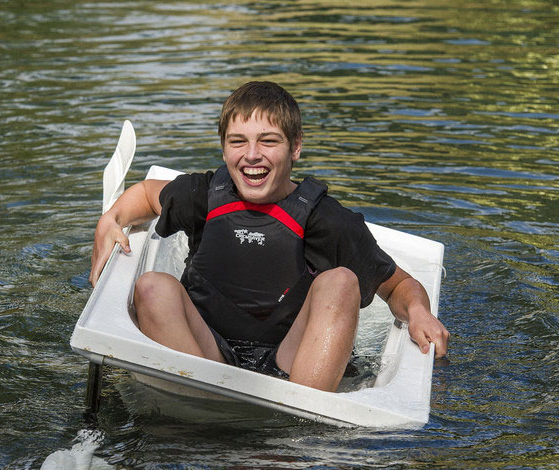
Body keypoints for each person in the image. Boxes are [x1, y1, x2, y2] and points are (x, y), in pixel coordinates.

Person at [89, 81, 449, 392]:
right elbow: (149, 193)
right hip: (204, 356)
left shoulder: (326, 219)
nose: (252, 156)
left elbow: (398, 285)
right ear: (224, 147)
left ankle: (304, 421)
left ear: (295, 147)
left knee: (341, 281)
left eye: (268, 141)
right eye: (237, 141)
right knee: (151, 286)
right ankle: (205, 407)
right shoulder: (204, 194)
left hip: (292, 366)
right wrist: (112, 218)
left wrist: (418, 312)